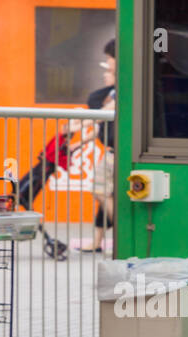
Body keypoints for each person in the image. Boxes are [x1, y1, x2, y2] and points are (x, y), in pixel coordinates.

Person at [86, 39, 116, 254]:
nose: (107, 64)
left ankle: (122, 234)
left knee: (100, 191)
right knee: (105, 194)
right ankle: (97, 241)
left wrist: (83, 121)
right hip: (112, 151)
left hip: (116, 153)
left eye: (109, 58)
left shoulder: (121, 87)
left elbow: (102, 115)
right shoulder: (113, 91)